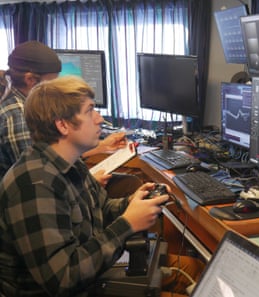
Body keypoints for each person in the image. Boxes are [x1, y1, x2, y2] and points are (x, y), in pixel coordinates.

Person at [0, 75, 204, 297]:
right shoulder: (35, 184)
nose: (99, 119)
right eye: (90, 111)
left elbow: (102, 208)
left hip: (93, 275)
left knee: (199, 270)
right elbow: (64, 279)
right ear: (63, 125)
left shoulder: (70, 164)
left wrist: (133, 203)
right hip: (76, 287)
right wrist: (128, 224)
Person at [0, 40, 127, 184]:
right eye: (52, 82)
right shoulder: (19, 115)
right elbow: (36, 179)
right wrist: (89, 185)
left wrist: (100, 147)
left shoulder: (17, 99)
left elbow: (52, 157)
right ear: (30, 79)